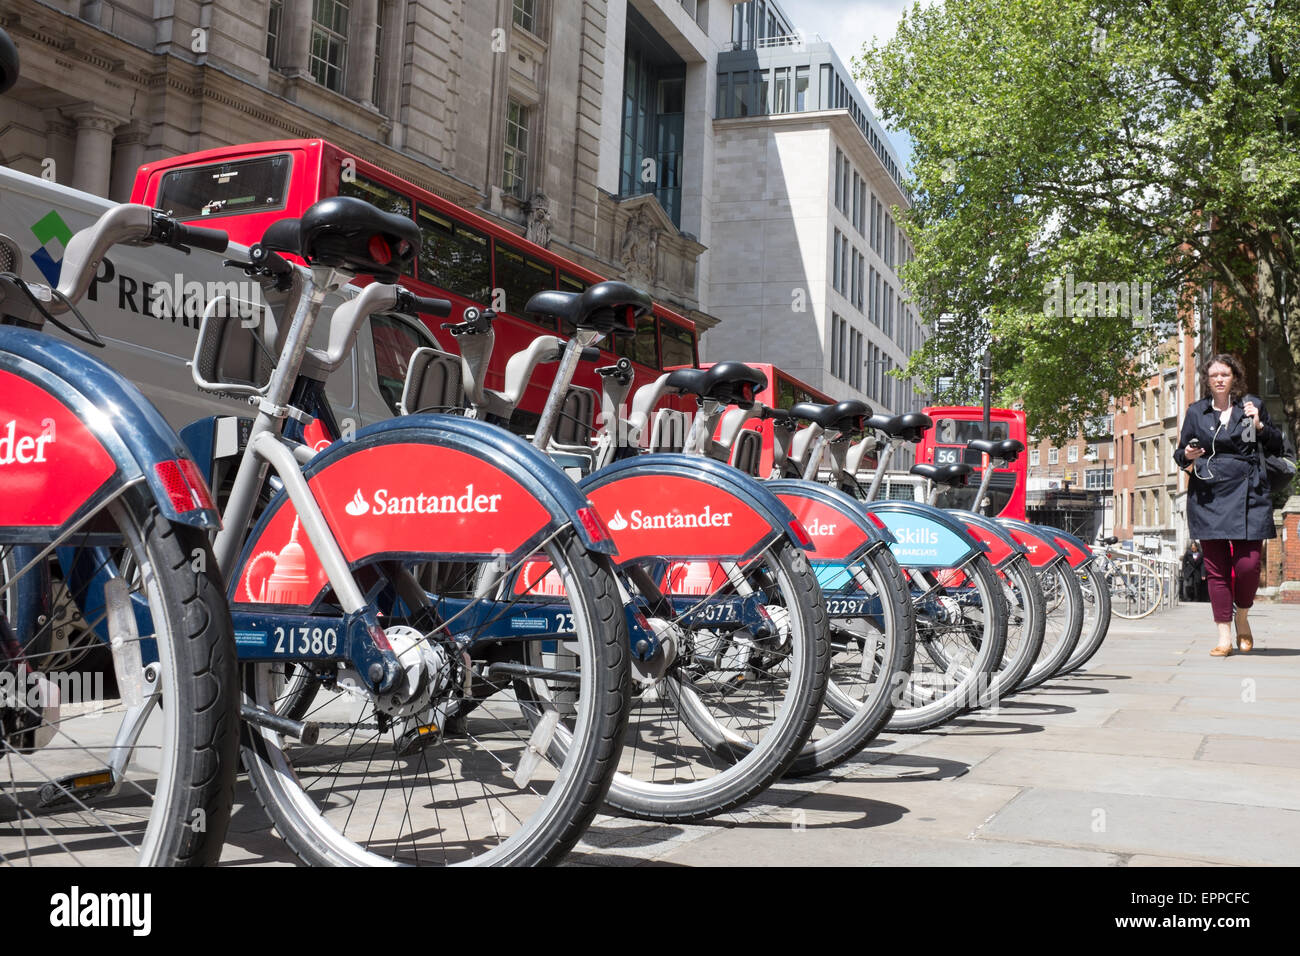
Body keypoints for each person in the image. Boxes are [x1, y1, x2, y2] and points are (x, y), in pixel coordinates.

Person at [1173, 354, 1284, 656]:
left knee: (1248, 565)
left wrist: (1260, 425)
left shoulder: (1252, 406)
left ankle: (1243, 617)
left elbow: (1277, 445)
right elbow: (1180, 453)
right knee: (1216, 569)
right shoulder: (1197, 412)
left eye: (1225, 374)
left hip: (1249, 491)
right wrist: (1189, 455)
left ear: (1234, 377)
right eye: (1214, 375)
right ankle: (1223, 634)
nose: (1219, 379)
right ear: (1208, 381)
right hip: (1208, 493)